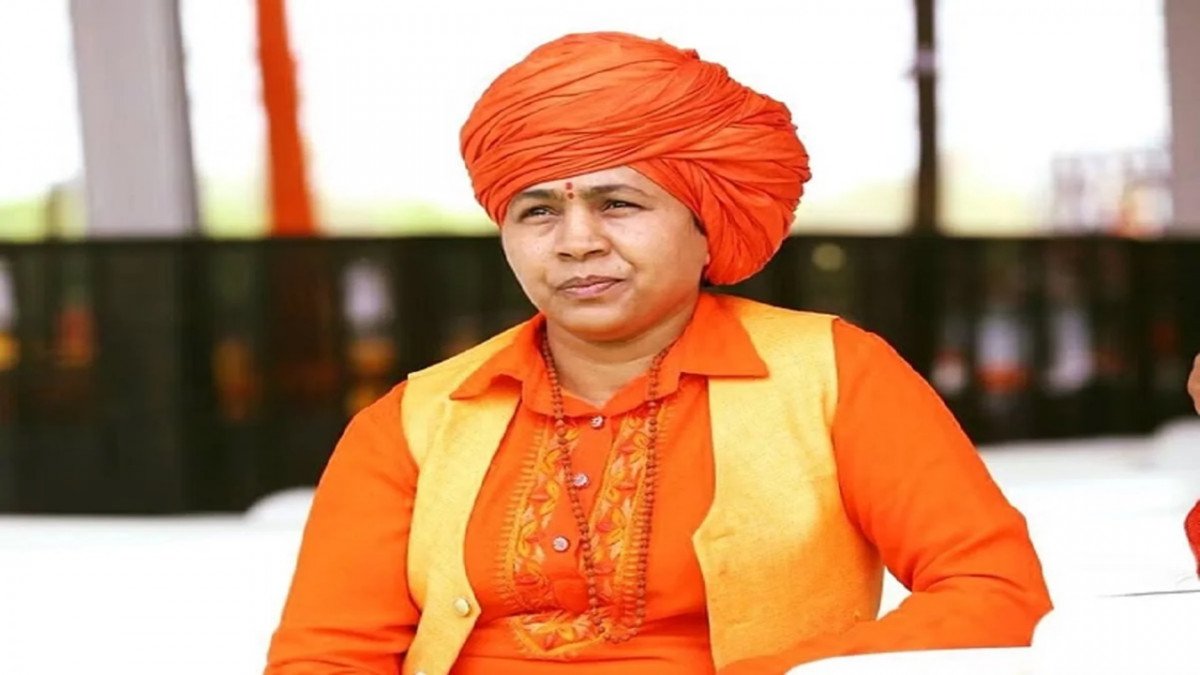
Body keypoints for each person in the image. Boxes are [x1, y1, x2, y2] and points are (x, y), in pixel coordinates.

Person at [265, 32, 1052, 675]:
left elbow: (992, 590)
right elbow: (325, 654)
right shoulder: (415, 419)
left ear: (704, 223)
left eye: (618, 202)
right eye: (537, 212)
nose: (577, 241)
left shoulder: (833, 374)